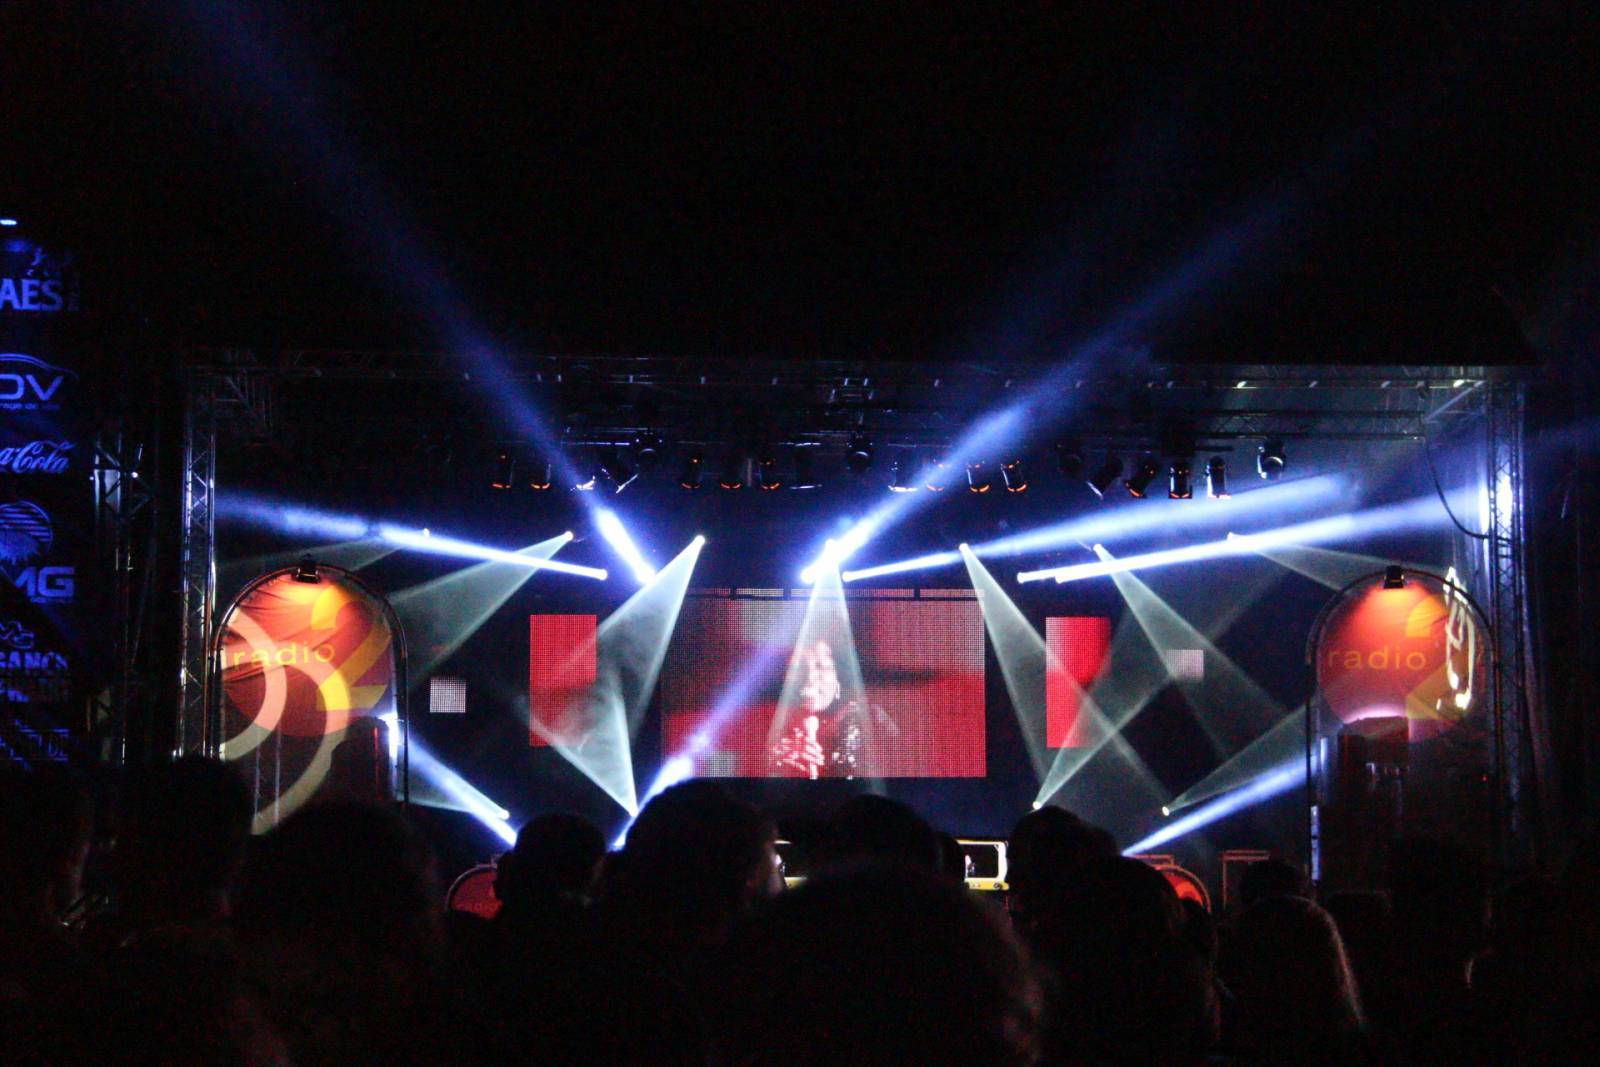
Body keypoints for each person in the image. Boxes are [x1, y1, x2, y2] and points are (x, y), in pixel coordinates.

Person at [770, 639, 894, 778]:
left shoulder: (868, 721)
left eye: (821, 666)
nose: (810, 678)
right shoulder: (770, 724)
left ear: (839, 676)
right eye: (799, 668)